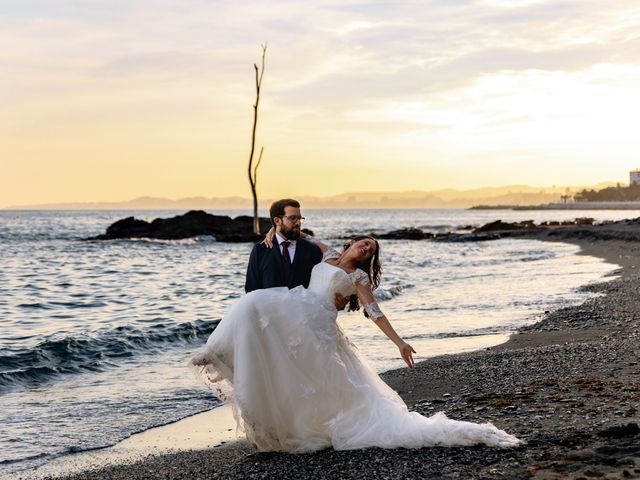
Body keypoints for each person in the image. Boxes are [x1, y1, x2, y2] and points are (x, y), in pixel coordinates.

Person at [192, 232, 520, 452]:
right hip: (295, 308)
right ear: (352, 242)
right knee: (252, 304)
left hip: (317, 327)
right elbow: (300, 234)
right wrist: (272, 232)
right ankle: (216, 352)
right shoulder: (329, 254)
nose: (366, 249)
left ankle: (295, 426)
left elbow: (374, 312)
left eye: (371, 251)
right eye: (365, 243)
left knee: (308, 381)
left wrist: (400, 343)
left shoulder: (358, 278)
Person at [245, 198, 322, 293]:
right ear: (277, 221)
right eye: (293, 218)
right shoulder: (260, 251)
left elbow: (318, 289)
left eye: (300, 218)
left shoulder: (312, 250)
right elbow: (251, 290)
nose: (298, 223)